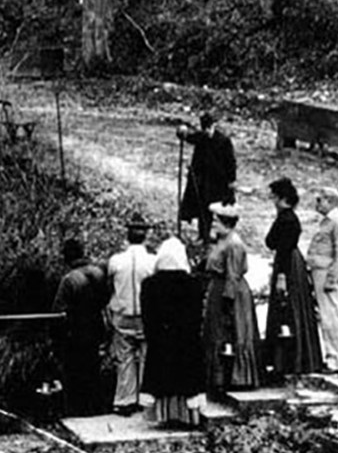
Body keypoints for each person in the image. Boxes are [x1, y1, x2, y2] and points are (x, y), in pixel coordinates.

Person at [260, 178, 324, 381]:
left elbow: (274, 243)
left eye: (275, 196)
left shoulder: (286, 219)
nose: (273, 200)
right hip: (289, 262)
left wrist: (281, 277)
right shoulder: (288, 217)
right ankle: (290, 359)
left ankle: (289, 360)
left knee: (288, 309)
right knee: (291, 309)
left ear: (282, 198)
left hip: (287, 265)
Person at [139, 229, 204, 428]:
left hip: (161, 339)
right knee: (187, 376)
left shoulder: (150, 284)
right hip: (185, 340)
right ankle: (187, 416)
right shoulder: (192, 284)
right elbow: (196, 315)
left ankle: (163, 415)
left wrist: (152, 335)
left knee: (161, 375)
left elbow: (147, 315)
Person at [201, 202, 261, 397]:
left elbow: (233, 275)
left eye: (217, 221)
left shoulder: (233, 243)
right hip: (217, 288)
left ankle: (235, 376)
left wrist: (228, 300)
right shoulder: (221, 240)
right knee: (216, 332)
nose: (213, 224)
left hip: (231, 292)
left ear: (226, 223)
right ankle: (217, 377)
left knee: (232, 331)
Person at [106, 213, 157, 416]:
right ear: (145, 236)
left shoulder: (116, 261)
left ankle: (125, 399)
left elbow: (109, 286)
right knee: (146, 356)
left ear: (127, 237)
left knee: (125, 358)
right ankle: (145, 398)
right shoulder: (152, 261)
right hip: (145, 315)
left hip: (123, 314)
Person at [51, 238, 108, 417]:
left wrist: (56, 337)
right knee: (94, 370)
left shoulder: (69, 280)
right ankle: (97, 407)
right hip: (97, 326)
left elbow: (58, 312)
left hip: (75, 331)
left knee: (75, 372)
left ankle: (77, 410)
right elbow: (106, 298)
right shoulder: (99, 273)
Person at [307, 187, 338, 374]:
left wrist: (333, 278)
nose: (317, 204)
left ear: (330, 201)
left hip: (328, 275)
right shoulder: (328, 221)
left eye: (320, 200)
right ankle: (333, 357)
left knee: (333, 317)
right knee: (327, 318)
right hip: (320, 272)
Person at [177, 112, 236, 245]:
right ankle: (203, 235)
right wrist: (182, 132)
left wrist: (231, 181)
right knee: (202, 208)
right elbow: (188, 137)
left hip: (218, 181)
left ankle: (222, 236)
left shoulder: (223, 141)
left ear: (213, 126)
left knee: (221, 209)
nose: (207, 131)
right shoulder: (201, 137)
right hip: (203, 181)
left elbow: (231, 162)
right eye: (205, 128)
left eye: (209, 128)